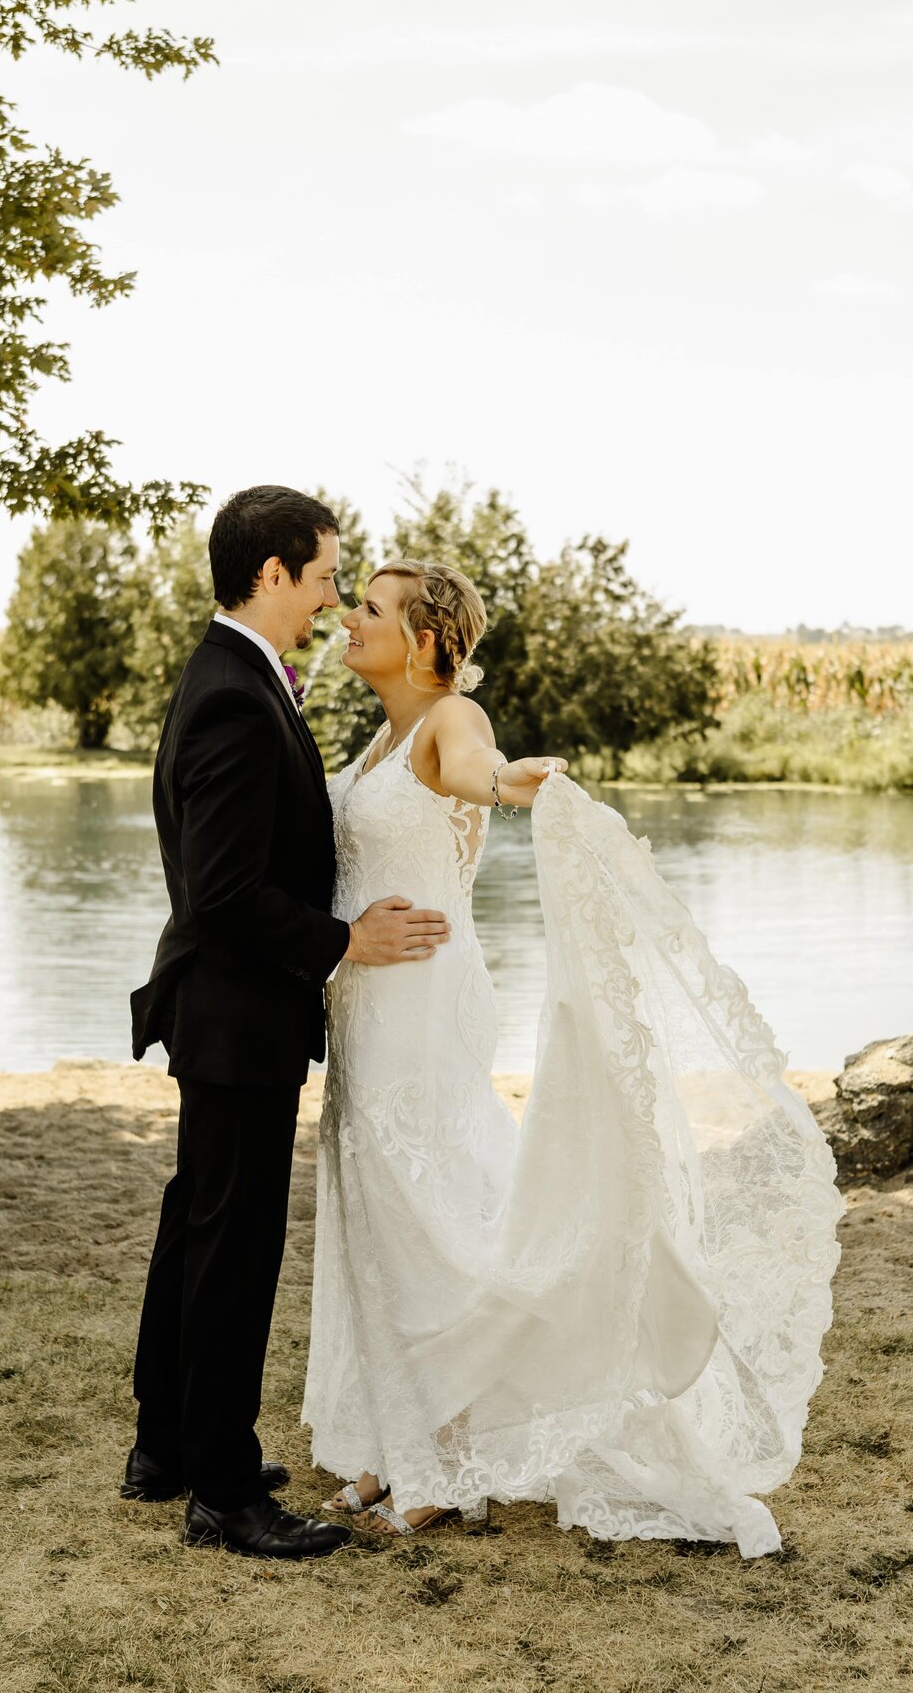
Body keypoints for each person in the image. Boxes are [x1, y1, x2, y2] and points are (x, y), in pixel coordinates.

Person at [302, 560, 844, 1555]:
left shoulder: (448, 722)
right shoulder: (379, 733)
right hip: (368, 999)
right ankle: (394, 1438)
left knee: (428, 1216)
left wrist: (522, 783)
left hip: (422, 999)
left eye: (369, 609)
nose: (349, 617)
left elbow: (484, 776)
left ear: (428, 643)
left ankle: (442, 1463)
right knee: (380, 1212)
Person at [124, 486, 452, 1561]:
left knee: (198, 1225)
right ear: (272, 573)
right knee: (232, 1246)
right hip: (236, 1015)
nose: (328, 600)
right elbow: (218, 894)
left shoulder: (236, 676)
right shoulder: (231, 692)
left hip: (229, 1014)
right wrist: (340, 940)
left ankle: (169, 1444)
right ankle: (221, 1492)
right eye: (321, 578)